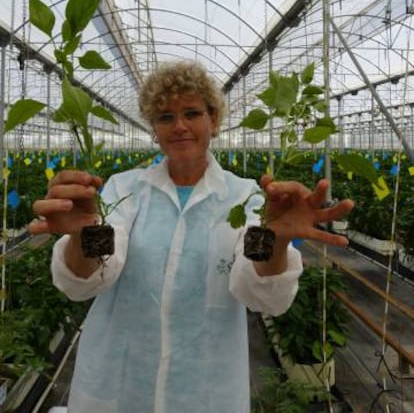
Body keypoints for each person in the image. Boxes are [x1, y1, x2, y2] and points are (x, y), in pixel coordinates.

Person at [29, 60, 353, 413]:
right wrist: (84, 234)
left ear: (213, 121)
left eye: (192, 113)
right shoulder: (125, 190)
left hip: (204, 392)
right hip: (119, 382)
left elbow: (261, 294)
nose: (179, 126)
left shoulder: (245, 198)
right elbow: (91, 276)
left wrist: (274, 241)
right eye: (165, 117)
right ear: (153, 128)